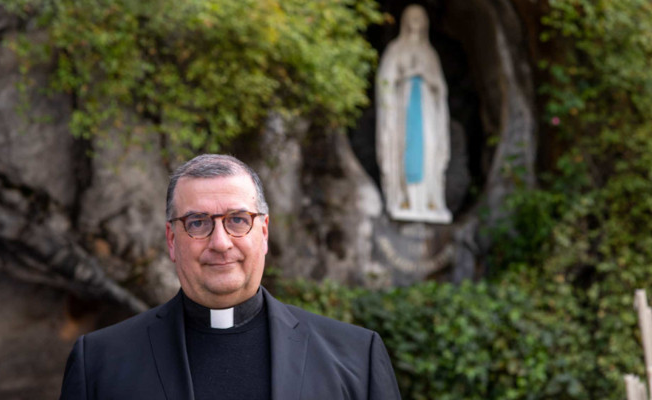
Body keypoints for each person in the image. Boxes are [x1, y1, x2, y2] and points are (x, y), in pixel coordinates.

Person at [59, 154, 402, 399]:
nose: (220, 243)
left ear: (263, 233)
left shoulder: (357, 357)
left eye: (238, 220)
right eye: (197, 223)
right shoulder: (100, 363)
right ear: (171, 240)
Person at [376, 4, 452, 223]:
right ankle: (403, 199)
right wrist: (406, 76)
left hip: (427, 112)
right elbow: (385, 83)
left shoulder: (430, 54)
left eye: (420, 18)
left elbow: (440, 88)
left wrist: (427, 78)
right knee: (404, 151)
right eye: (412, 18)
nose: (416, 23)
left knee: (429, 151)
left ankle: (427, 201)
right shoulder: (395, 50)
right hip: (403, 113)